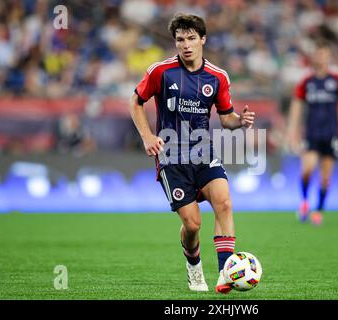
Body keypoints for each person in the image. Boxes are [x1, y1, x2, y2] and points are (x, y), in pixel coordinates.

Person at [128, 13, 255, 293]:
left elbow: (226, 117)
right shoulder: (160, 71)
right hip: (171, 156)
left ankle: (225, 273)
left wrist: (240, 121)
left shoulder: (218, 77)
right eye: (180, 39)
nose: (185, 45)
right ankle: (194, 266)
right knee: (193, 224)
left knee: (223, 202)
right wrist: (148, 136)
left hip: (203, 152)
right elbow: (135, 102)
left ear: (203, 39)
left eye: (191, 38)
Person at [287, 41, 338, 225]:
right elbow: (296, 106)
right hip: (311, 134)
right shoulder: (306, 80)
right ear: (314, 57)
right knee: (307, 170)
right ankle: (304, 202)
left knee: (325, 177)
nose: (321, 58)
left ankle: (318, 210)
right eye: (318, 54)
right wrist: (292, 132)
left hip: (332, 133)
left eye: (324, 54)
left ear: (329, 56)